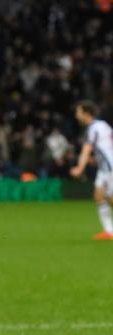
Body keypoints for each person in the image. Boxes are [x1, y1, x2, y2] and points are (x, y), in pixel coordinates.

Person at [70, 100, 113, 240]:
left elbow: (87, 149)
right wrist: (97, 159)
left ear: (86, 113)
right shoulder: (103, 125)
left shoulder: (93, 128)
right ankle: (109, 231)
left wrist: (79, 168)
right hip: (104, 167)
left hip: (110, 167)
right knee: (99, 195)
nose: (77, 115)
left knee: (111, 198)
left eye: (79, 112)